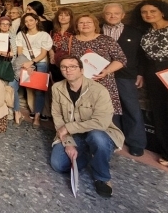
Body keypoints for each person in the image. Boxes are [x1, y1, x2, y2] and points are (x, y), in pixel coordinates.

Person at [50, 56, 125, 198]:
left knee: (97, 138)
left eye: (73, 66)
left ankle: (102, 178)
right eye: (64, 67)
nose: (68, 70)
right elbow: (58, 118)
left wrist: (69, 128)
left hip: (99, 132)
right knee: (58, 165)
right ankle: (90, 155)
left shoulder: (99, 90)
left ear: (82, 70)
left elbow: (101, 123)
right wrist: (68, 143)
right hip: (73, 135)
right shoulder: (57, 88)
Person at [102, 3, 146, 157]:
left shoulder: (135, 33)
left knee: (131, 108)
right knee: (109, 109)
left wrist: (140, 74)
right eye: (108, 13)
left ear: (123, 15)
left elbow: (141, 55)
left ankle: (136, 143)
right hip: (102, 76)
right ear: (104, 15)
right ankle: (114, 139)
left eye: (116, 13)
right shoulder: (97, 30)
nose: (112, 16)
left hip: (126, 76)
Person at [135, 0, 168, 168]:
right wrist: (142, 74)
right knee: (160, 113)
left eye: (152, 11)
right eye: (144, 12)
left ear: (162, 11)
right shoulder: (146, 34)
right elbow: (143, 58)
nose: (148, 15)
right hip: (154, 75)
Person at [69, 13, 126, 118]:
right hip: (79, 84)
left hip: (103, 83)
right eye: (81, 22)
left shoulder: (106, 40)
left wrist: (107, 71)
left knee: (105, 117)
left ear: (95, 25)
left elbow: (121, 59)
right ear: (76, 26)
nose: (85, 25)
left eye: (88, 22)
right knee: (81, 115)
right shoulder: (69, 41)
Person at [16, 13, 53, 128]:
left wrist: (32, 63)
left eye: (31, 20)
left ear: (36, 21)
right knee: (29, 89)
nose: (29, 23)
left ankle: (37, 117)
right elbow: (20, 52)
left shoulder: (44, 35)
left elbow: (43, 53)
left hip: (40, 63)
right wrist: (27, 64)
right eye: (26, 21)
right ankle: (34, 110)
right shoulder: (21, 35)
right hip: (26, 63)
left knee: (39, 90)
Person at [49, 7, 76, 82]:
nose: (63, 17)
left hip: (70, 62)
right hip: (56, 62)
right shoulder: (53, 32)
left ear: (71, 17)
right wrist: (52, 55)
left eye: (66, 15)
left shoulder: (75, 31)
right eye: (61, 15)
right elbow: (50, 46)